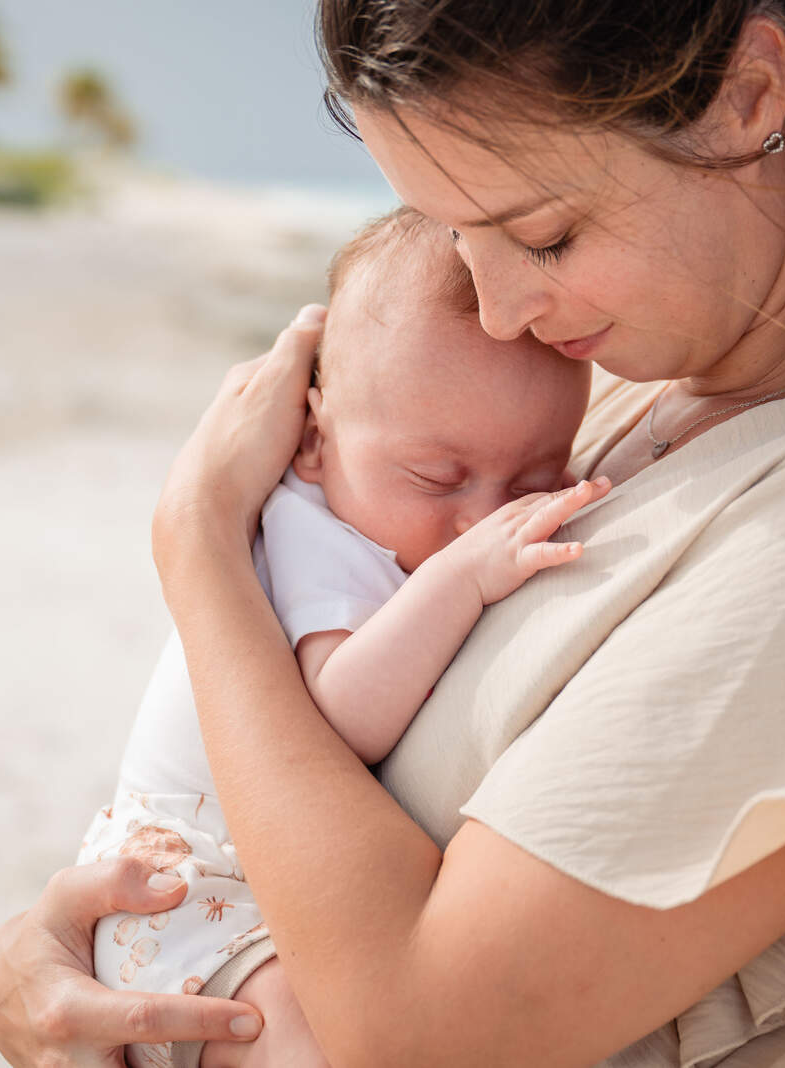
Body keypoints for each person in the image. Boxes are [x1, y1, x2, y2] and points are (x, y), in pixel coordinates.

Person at [0, 0, 785, 1064]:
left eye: (543, 236)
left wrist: (198, 548)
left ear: (747, 100)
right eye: (454, 236)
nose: (498, 311)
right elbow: (273, 795)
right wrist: (44, 962)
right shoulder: (611, 399)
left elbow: (414, 1033)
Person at [78, 206, 596, 1068]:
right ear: (315, 441)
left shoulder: (383, 509)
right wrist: (461, 578)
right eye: (439, 477)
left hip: (262, 889)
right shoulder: (311, 532)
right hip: (189, 893)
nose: (485, 515)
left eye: (538, 473)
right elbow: (340, 717)